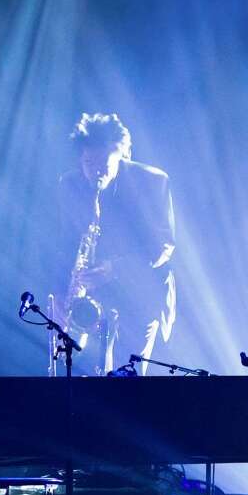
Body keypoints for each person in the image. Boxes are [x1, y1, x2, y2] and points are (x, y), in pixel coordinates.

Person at [55, 113, 176, 375]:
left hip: (140, 293)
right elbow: (62, 244)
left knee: (126, 374)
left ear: (121, 155)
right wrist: (59, 294)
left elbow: (163, 246)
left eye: (103, 163)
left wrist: (115, 269)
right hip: (91, 294)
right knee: (83, 373)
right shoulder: (70, 184)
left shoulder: (153, 181)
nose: (95, 171)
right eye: (88, 162)